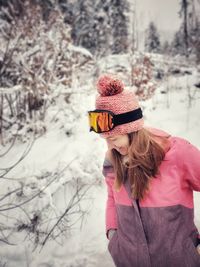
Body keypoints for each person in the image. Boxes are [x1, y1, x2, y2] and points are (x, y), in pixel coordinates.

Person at [88, 74, 200, 267]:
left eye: (114, 138)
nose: (110, 146)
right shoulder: (112, 160)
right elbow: (112, 199)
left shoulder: (176, 153)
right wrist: (113, 234)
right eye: (105, 139)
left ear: (133, 129)